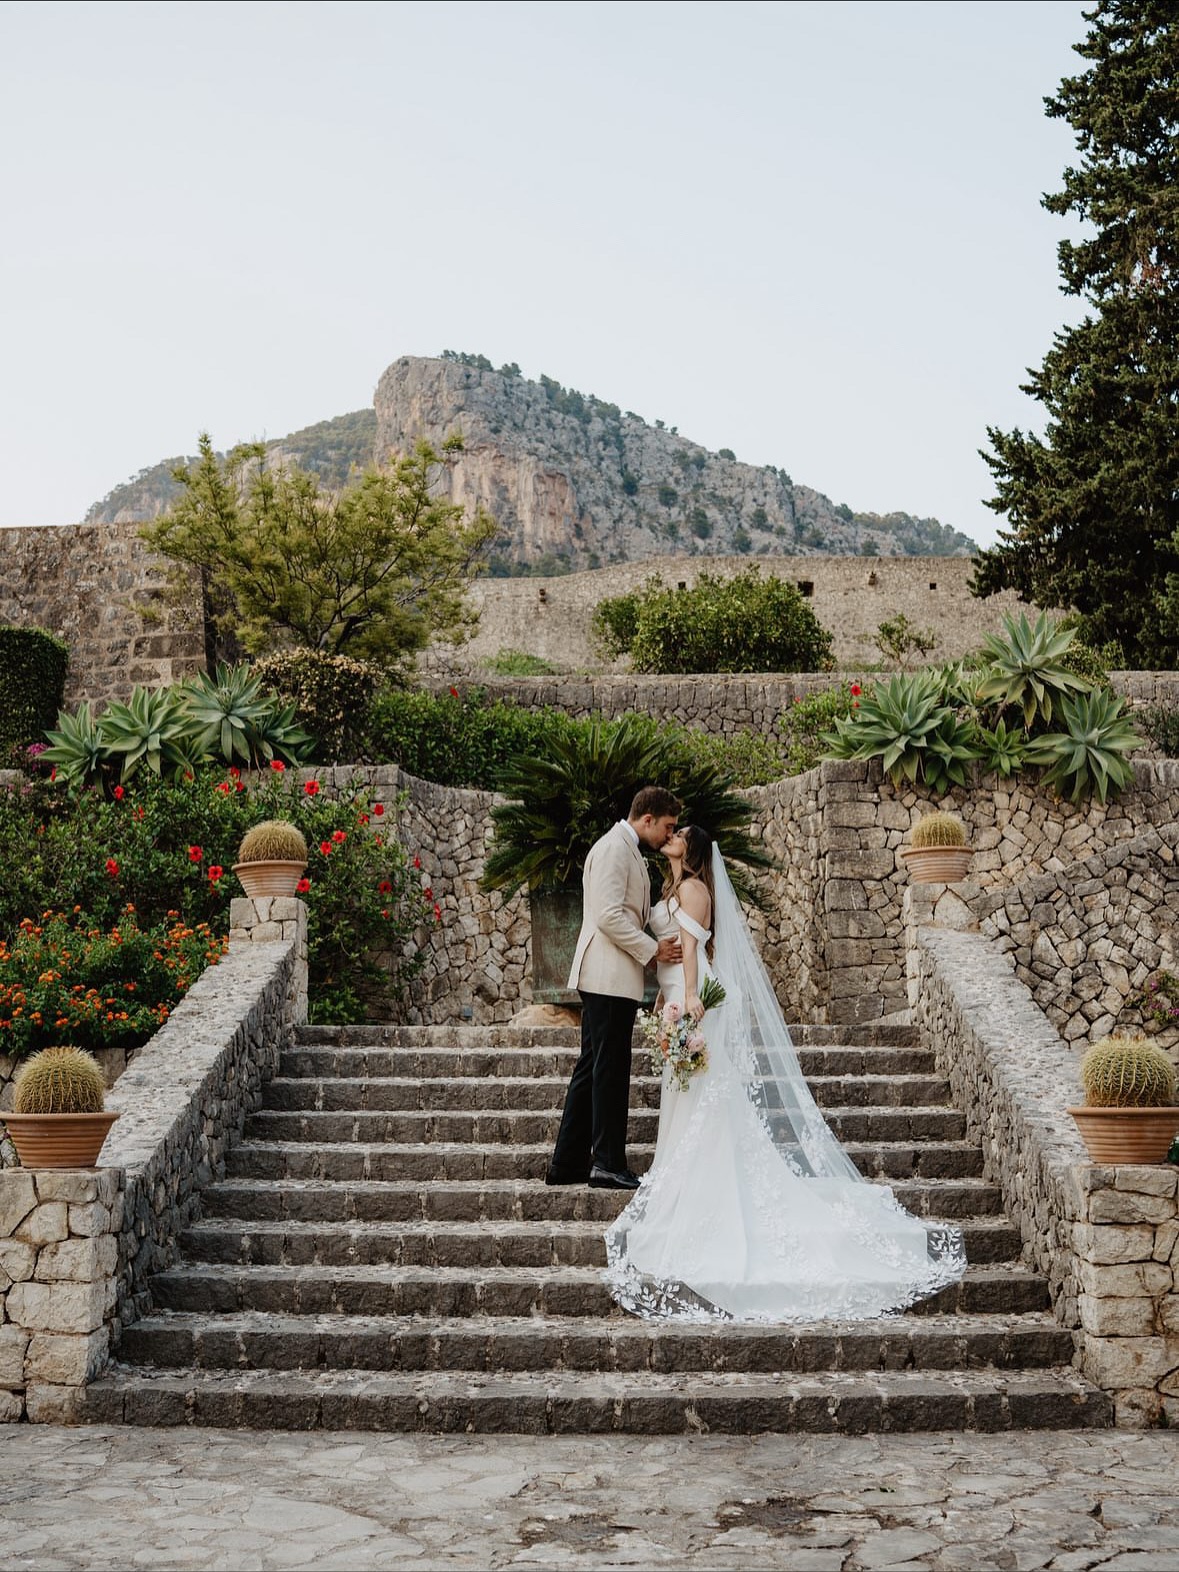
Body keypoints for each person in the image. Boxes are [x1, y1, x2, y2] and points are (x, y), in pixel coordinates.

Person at [606, 825, 968, 1320]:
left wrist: (688, 998)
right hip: (673, 995)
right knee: (687, 1089)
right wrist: (665, 996)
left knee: (701, 1089)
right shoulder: (672, 887)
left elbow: (690, 950)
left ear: (692, 849)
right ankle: (686, 1181)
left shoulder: (693, 889)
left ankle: (702, 1186)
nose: (672, 835)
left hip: (691, 997)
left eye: (680, 834)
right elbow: (670, 947)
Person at [546, 786, 684, 1191]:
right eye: (667, 826)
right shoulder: (613, 849)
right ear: (647, 819)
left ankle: (567, 1163)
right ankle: (606, 1163)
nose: (669, 834)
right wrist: (653, 949)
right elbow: (608, 915)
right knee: (609, 1070)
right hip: (607, 976)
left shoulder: (626, 849)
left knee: (592, 1067)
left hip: (611, 976)